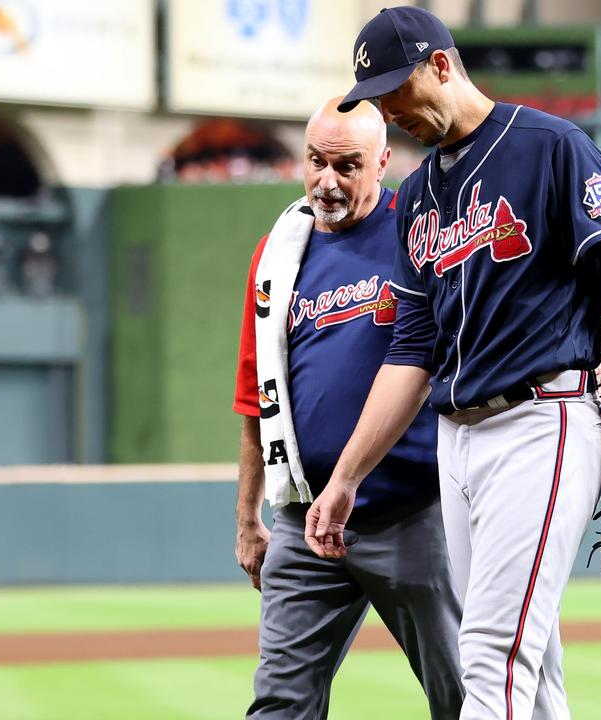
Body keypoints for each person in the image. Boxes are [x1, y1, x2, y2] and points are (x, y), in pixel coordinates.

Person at [304, 7, 601, 719]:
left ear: (441, 65)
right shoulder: (414, 199)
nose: (388, 110)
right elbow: (411, 351)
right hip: (455, 442)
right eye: (375, 98)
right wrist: (346, 477)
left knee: (491, 660)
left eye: (394, 90)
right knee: (531, 681)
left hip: (542, 421)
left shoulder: (553, 149)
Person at [233, 97, 464, 719]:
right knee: (279, 703)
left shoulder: (421, 230)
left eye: (347, 165)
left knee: (467, 696)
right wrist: (247, 514)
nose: (326, 181)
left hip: (413, 514)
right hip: (303, 520)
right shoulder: (279, 254)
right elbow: (256, 396)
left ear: (384, 162)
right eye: (315, 162)